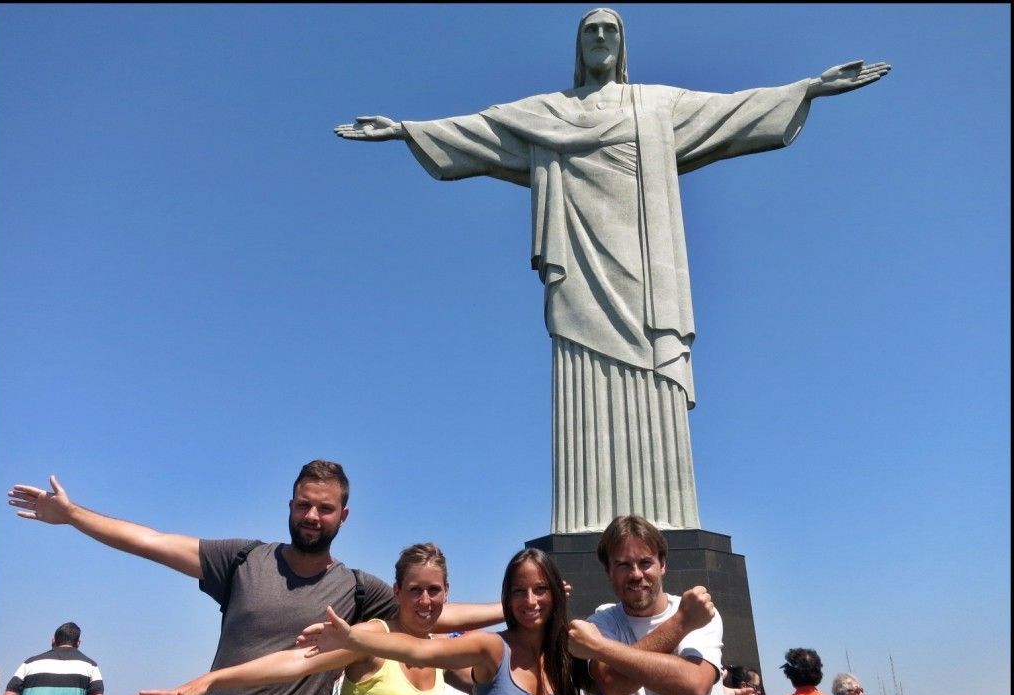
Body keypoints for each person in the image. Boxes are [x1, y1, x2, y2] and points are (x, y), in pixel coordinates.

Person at [335, 7, 890, 536]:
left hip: (647, 269)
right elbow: (480, 131)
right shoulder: (548, 113)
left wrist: (809, 87)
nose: (600, 38)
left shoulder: (656, 105)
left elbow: (733, 110)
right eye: (590, 31)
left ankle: (666, 514)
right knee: (581, 375)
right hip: (578, 268)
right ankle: (586, 514)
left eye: (609, 30)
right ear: (578, 46)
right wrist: (406, 129)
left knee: (653, 370)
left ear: (622, 44)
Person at [8, 462, 502, 695]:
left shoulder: (355, 589)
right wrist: (73, 516)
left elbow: (433, 615)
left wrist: (518, 607)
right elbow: (151, 542)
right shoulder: (242, 559)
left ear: (343, 517)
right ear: (290, 505)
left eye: (324, 509)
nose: (312, 516)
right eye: (303, 505)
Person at [134, 543, 461, 695]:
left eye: (434, 590)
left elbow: (498, 670)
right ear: (397, 593)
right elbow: (295, 662)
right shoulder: (372, 637)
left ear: (446, 593)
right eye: (415, 590)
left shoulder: (443, 653)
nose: (425, 601)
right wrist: (210, 681)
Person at [296, 547, 590, 695]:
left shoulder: (567, 654)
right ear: (397, 592)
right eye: (519, 592)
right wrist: (353, 638)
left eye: (541, 589)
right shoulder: (490, 647)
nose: (531, 600)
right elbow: (420, 649)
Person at [564, 515, 737, 695]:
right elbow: (612, 683)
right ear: (608, 571)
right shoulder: (603, 622)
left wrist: (599, 647)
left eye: (645, 562)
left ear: (662, 564)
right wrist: (681, 625)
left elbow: (695, 684)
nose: (636, 574)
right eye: (623, 564)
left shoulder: (698, 611)